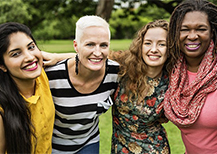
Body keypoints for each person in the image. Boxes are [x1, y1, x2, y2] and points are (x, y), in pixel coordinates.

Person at [45, 15, 119, 154]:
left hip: (89, 142)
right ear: (76, 46)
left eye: (103, 45)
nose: (97, 52)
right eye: (89, 44)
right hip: (54, 146)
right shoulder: (52, 76)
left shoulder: (115, 73)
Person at [163, 0, 217, 153]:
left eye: (201, 29)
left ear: (212, 32)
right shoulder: (172, 71)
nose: (192, 36)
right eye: (184, 29)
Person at [109, 20, 170, 154]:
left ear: (170, 48)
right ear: (140, 46)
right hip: (120, 148)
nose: (154, 49)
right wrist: (56, 57)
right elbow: (92, 58)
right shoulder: (124, 65)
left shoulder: (173, 80)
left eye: (162, 44)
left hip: (155, 149)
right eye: (148, 43)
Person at [0, 22, 55, 153]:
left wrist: (56, 57)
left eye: (31, 47)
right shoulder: (2, 109)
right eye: (16, 54)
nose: (30, 57)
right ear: (2, 66)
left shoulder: (41, 74)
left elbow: (87, 59)